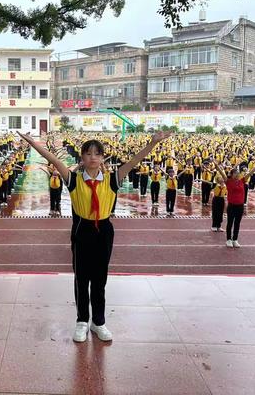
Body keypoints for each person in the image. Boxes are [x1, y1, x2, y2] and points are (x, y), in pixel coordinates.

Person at [18, 130, 171, 343]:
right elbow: (51, 158)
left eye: (97, 153)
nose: (92, 157)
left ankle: (98, 322)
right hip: (82, 230)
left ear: (102, 157)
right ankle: (82, 321)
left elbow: (136, 160)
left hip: (104, 231)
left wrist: (152, 144)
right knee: (82, 278)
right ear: (82, 157)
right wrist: (32, 143)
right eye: (88, 153)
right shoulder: (73, 179)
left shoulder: (112, 180)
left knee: (100, 279)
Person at [214, 158, 255, 248]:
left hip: (240, 206)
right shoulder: (228, 182)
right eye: (236, 173)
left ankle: (235, 239)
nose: (237, 174)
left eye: (238, 173)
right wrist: (216, 164)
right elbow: (221, 172)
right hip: (232, 206)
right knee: (230, 223)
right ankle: (228, 239)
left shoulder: (242, 181)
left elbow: (250, 173)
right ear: (232, 175)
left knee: (237, 223)